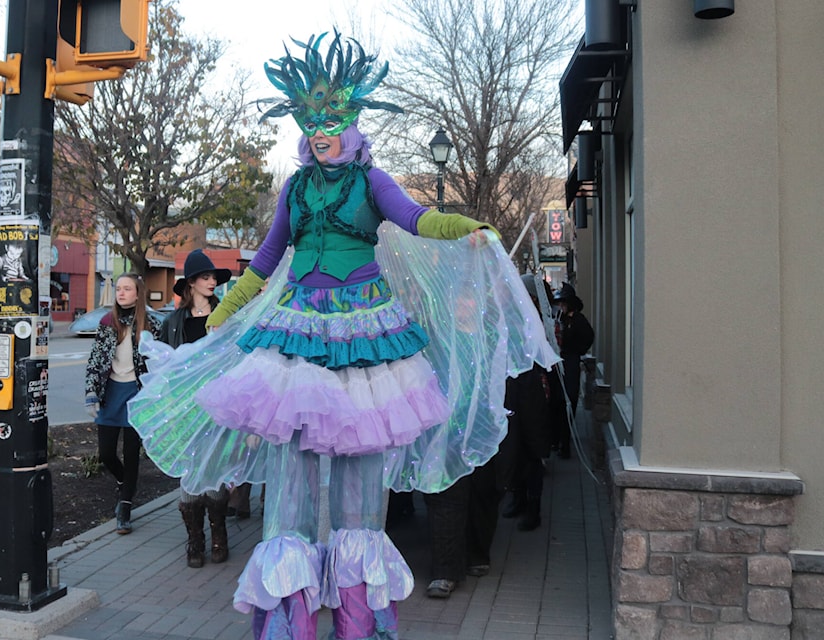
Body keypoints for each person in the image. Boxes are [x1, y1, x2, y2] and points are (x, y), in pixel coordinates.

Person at [128, 31, 558, 640]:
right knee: (293, 477)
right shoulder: (297, 187)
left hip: (366, 338)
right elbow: (267, 258)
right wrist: (227, 313)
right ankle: (290, 621)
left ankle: (359, 623)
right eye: (310, 119)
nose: (321, 128)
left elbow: (415, 218)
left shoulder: (371, 180)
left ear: (352, 120)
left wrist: (466, 225)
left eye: (331, 117)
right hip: (298, 337)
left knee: (360, 477)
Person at [159, 250, 233, 567]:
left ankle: (219, 532)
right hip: (186, 408)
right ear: (191, 283)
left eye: (214, 277)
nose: (212, 281)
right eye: (205, 277)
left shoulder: (227, 315)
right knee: (190, 473)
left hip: (218, 405)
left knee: (215, 470)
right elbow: (164, 367)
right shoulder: (173, 322)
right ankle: (195, 539)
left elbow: (237, 358)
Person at [85, 272, 161, 534]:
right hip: (111, 392)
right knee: (106, 453)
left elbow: (158, 363)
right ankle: (123, 483)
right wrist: (91, 391)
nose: (121, 293)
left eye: (127, 289)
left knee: (131, 454)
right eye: (119, 288)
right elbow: (95, 360)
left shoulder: (150, 325)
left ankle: (125, 508)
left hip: (137, 394)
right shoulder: (107, 322)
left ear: (138, 294)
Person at [501, 274, 554, 531]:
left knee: (532, 449)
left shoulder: (537, 317)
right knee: (514, 447)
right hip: (511, 385)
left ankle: (533, 507)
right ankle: (517, 497)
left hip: (531, 386)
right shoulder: (509, 314)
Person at [551, 282, 595, 459]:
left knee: (569, 401)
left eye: (563, 302)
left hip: (570, 365)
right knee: (558, 403)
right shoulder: (560, 319)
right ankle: (557, 439)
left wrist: (577, 351)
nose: (560, 306)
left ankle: (565, 443)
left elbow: (588, 337)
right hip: (560, 364)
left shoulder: (578, 320)